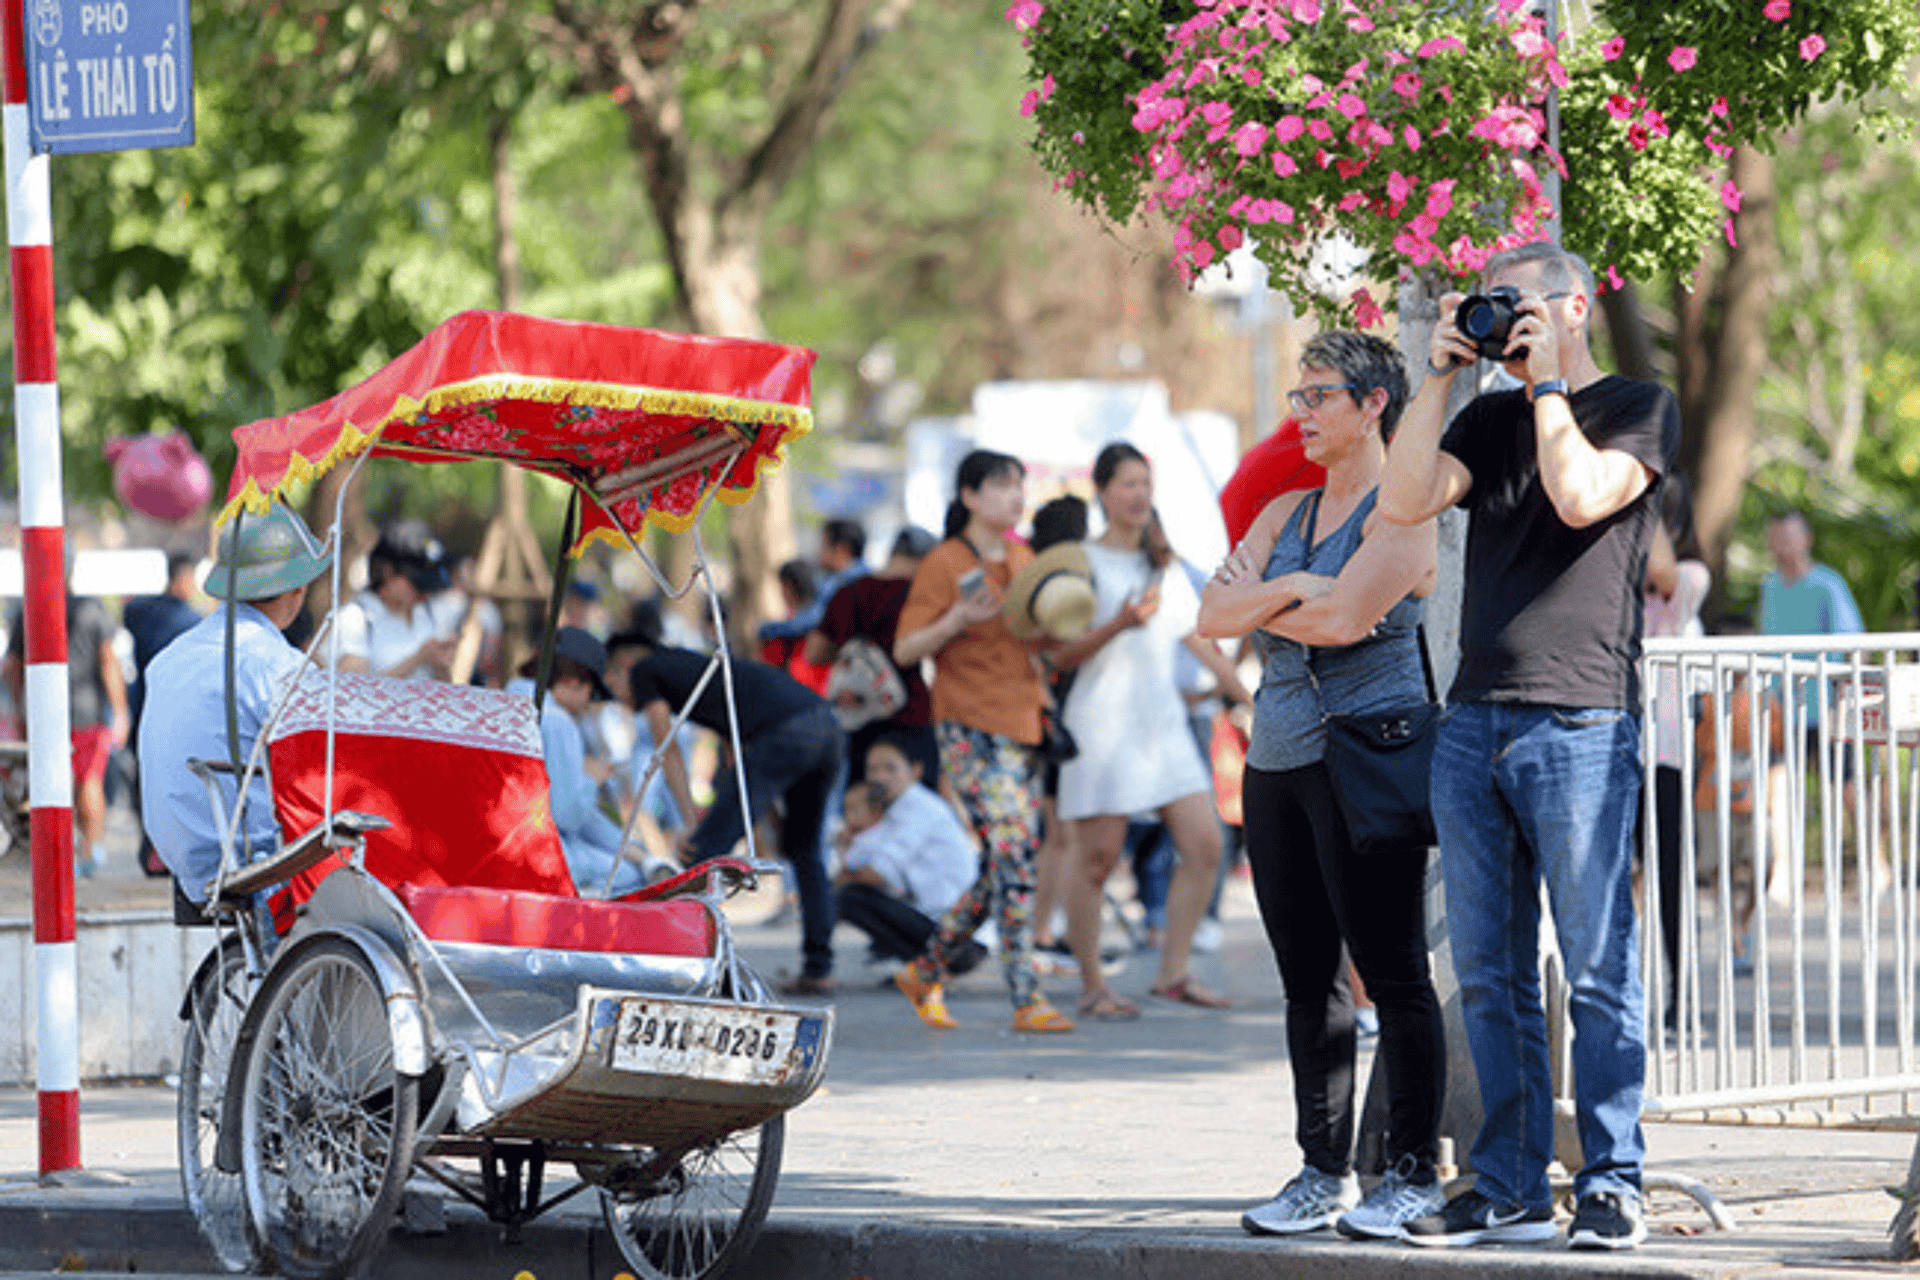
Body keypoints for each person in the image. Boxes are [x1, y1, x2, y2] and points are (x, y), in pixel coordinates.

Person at [1380, 242, 1679, 1250]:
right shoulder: (1486, 416)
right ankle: (1506, 1185)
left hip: (1580, 719)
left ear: (1576, 307)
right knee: (1490, 974)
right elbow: (1403, 501)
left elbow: (1582, 495)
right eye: (1496, 303)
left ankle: (1613, 1181)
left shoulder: (1638, 404)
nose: (1505, 319)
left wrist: (1549, 384)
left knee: (1597, 968)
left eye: (1523, 303)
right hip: (1474, 719)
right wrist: (1435, 379)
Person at [1198, 332, 1446, 1240]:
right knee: (1308, 981)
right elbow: (1211, 616)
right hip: (1276, 763)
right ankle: (1320, 1171)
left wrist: (1278, 601)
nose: (1299, 413)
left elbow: (1344, 621)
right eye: (1297, 396)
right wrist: (1300, 582)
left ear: (1374, 405)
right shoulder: (1285, 513)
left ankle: (1413, 1174)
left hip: (1368, 758)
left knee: (1394, 972)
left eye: (1319, 396)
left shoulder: (1403, 509)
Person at [1051, 443, 1246, 1019]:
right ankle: (1093, 985)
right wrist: (1119, 623)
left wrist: (1247, 696)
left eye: (1146, 483)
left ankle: (1173, 972)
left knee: (1205, 847)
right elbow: (1057, 656)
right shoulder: (1081, 561)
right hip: (1100, 729)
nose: (1139, 494)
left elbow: (1200, 641)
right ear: (1103, 492)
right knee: (1097, 860)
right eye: (1128, 483)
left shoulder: (1162, 563)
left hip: (1162, 730)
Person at [889, 449, 1075, 1034]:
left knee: (1006, 861)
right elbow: (906, 650)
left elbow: (1046, 647)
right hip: (969, 724)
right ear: (968, 496)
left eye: (1019, 485)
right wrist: (955, 621)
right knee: (1015, 855)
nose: (1015, 495)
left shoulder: (1024, 560)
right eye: (1000, 485)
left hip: (1026, 725)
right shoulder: (944, 562)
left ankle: (925, 969)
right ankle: (1025, 995)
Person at [608, 622, 845, 995]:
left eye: (611, 685)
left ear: (623, 665)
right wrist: (768, 817)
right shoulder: (698, 670)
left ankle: (690, 972)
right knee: (805, 850)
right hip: (826, 727)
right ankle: (819, 968)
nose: (618, 700)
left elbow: (668, 749)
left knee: (701, 856)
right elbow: (740, 758)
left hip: (785, 733)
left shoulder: (644, 669)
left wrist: (690, 822)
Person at [139, 505, 331, 903]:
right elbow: (323, 765)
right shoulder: (280, 666)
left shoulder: (168, 659)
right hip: (258, 862)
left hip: (185, 865)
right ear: (297, 590)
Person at [3, 560, 132, 877]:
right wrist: (120, 711)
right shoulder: (92, 609)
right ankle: (89, 851)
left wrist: (20, 708)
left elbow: (12, 666)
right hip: (88, 712)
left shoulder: (28, 610)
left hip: (42, 712)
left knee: (46, 784)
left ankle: (53, 852)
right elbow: (108, 661)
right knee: (89, 780)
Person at [835, 735, 985, 974]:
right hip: (940, 924)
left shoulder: (918, 809)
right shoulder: (895, 809)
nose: (879, 777)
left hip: (960, 938)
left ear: (916, 770)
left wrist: (835, 882)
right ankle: (919, 966)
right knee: (852, 893)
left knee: (849, 897)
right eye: (872, 769)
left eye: (890, 768)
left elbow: (878, 874)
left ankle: (927, 969)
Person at [804, 525, 942, 785]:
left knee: (865, 801)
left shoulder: (849, 592)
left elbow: (814, 652)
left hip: (858, 717)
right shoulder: (920, 596)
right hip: (910, 716)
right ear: (926, 561)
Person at [537, 626, 643, 898]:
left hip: (513, 845)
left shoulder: (517, 700)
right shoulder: (559, 724)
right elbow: (568, 816)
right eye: (591, 693)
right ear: (574, 683)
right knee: (631, 878)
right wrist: (591, 781)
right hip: (548, 854)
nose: (589, 705)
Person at [123, 552, 205, 877]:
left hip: (143, 708)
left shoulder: (141, 611)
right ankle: (164, 852)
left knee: (147, 780)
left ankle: (152, 848)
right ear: (181, 579)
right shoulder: (191, 621)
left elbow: (128, 611)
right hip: (177, 712)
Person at [337, 519, 456, 680]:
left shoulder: (426, 614)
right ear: (387, 571)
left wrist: (440, 663)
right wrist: (418, 658)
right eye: (417, 585)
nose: (424, 594)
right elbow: (355, 687)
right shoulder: (357, 618)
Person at [760, 518, 868, 646]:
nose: (818, 552)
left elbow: (810, 621)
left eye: (823, 545)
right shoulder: (868, 577)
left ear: (842, 549)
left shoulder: (843, 583)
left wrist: (764, 630)